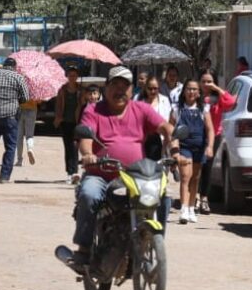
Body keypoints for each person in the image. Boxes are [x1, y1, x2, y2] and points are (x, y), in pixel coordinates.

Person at [68, 66, 175, 264]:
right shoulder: (94, 110)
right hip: (100, 174)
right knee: (88, 194)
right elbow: (85, 138)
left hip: (134, 175)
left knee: (162, 196)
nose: (119, 90)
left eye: (124, 86)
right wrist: (88, 154)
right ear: (106, 87)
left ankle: (152, 240)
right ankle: (83, 248)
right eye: (115, 85)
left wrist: (174, 144)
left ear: (131, 89)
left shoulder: (140, 109)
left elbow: (165, 127)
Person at [172, 79, 214, 224]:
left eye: (195, 89)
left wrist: (210, 146)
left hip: (199, 148)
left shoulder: (204, 109)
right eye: (189, 89)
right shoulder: (177, 109)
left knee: (195, 178)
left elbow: (210, 130)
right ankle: (183, 209)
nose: (191, 92)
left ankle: (191, 208)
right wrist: (175, 149)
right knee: (185, 177)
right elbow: (171, 131)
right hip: (184, 147)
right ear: (184, 91)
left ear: (199, 93)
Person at [0, 58, 30, 183]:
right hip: (10, 116)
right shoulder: (19, 77)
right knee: (10, 147)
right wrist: (15, 99)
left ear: (3, 65)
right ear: (14, 66)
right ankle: (4, 176)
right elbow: (25, 97)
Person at [196, 68, 235, 214]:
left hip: (214, 136)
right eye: (204, 81)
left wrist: (217, 89)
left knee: (207, 167)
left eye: (209, 81)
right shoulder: (195, 96)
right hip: (196, 136)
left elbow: (231, 102)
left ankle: (204, 198)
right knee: (195, 168)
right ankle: (193, 198)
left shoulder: (218, 98)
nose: (206, 84)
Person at [54, 66, 83, 183]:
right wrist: (58, 118)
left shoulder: (81, 90)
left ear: (77, 77)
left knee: (75, 147)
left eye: (74, 76)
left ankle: (75, 171)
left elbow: (84, 104)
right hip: (65, 122)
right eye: (70, 75)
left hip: (77, 122)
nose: (72, 78)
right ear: (67, 77)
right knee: (68, 147)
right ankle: (69, 172)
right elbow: (58, 105)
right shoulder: (62, 90)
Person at [15, 99, 40, 167]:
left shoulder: (21, 87)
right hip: (32, 110)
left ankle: (19, 160)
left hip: (20, 109)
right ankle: (30, 149)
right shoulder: (36, 89)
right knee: (29, 136)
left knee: (19, 137)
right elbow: (39, 101)